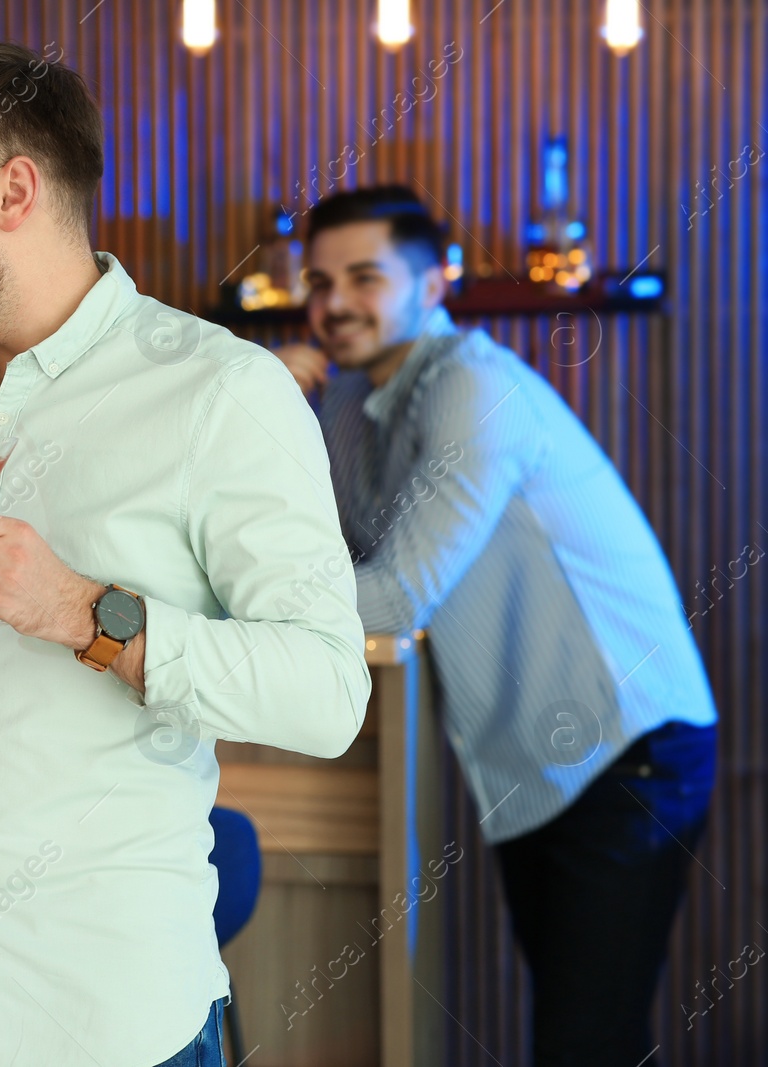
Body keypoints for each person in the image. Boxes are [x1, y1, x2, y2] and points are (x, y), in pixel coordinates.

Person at [0, 43, 369, 1067]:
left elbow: (325, 691)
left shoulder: (221, 392)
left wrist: (87, 612)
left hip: (106, 1017)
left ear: (14, 192)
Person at [273, 185, 718, 1067]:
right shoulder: (363, 404)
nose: (332, 304)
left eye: (364, 277)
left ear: (436, 282)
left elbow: (394, 598)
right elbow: (333, 561)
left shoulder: (471, 388)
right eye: (319, 283)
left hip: (627, 750)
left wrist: (210, 609)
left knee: (589, 1042)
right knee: (585, 1036)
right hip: (545, 765)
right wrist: (271, 408)